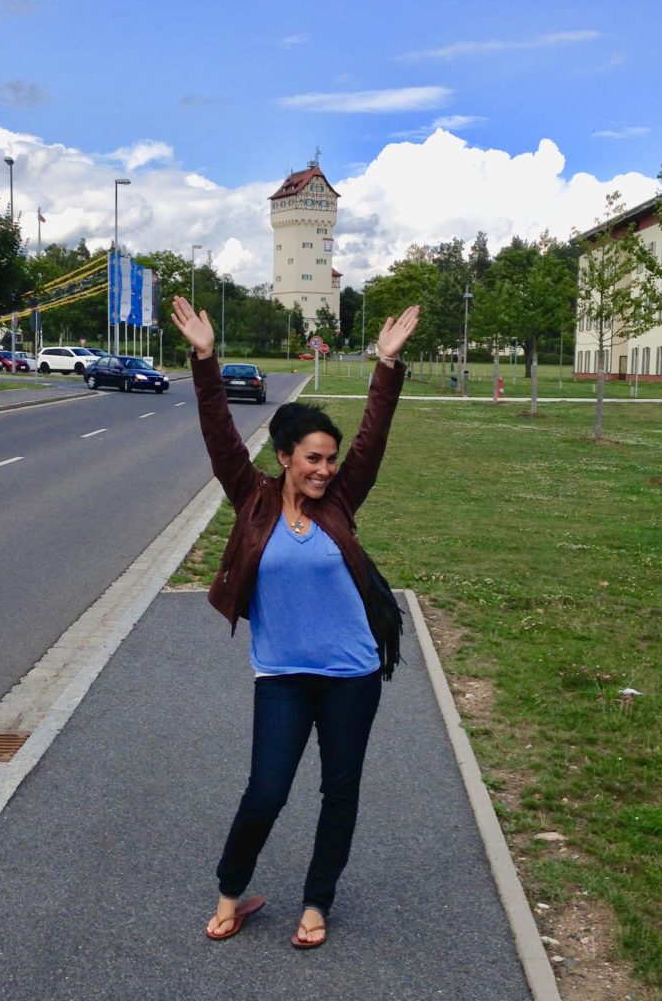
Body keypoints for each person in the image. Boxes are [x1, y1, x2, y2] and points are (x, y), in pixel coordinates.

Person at [171, 295, 419, 950]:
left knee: (340, 792)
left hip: (351, 674)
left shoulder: (340, 499)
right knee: (267, 792)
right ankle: (233, 892)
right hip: (281, 674)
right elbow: (218, 431)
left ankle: (317, 902)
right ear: (284, 456)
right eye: (313, 458)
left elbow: (374, 435)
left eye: (330, 459)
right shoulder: (251, 499)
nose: (325, 469)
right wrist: (205, 359)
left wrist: (386, 367)